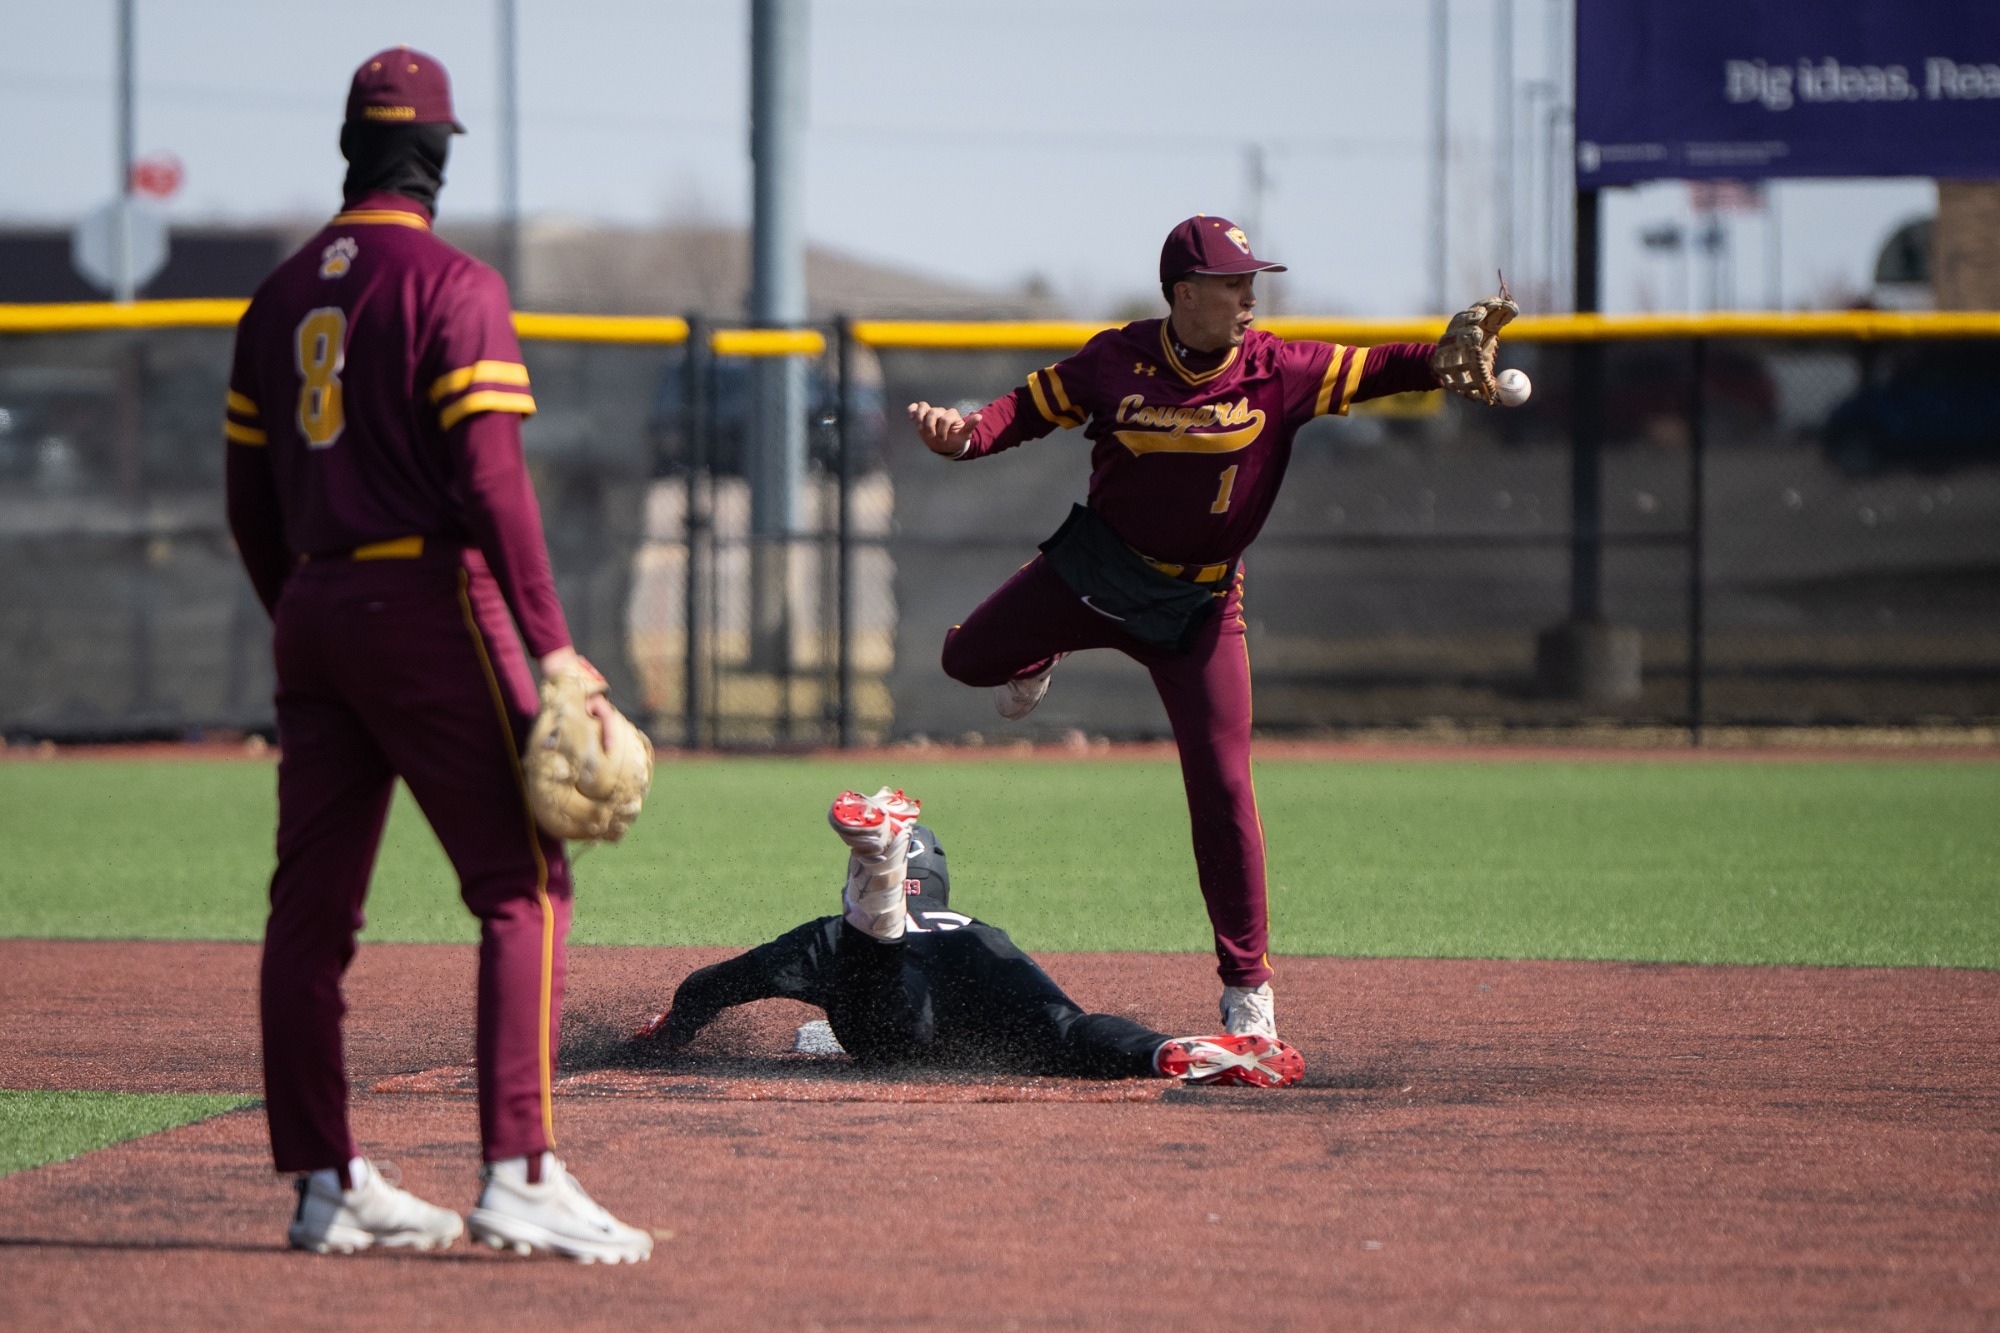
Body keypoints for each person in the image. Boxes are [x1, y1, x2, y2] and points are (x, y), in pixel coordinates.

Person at [224, 47, 650, 1263]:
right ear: (441, 156)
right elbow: (493, 485)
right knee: (525, 886)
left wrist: (307, 619)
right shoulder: (452, 281)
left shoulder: (276, 295)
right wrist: (557, 651)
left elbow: (248, 505)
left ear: (350, 147)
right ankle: (518, 1170)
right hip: (428, 601)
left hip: (312, 608)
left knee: (308, 918)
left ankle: (325, 1182)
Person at [907, 216, 1509, 1042]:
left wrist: (1440, 361)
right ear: (1185, 294)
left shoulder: (1277, 368)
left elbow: (1377, 367)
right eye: (1232, 284)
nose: (1250, 297)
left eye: (1251, 282)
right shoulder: (1115, 358)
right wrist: (963, 435)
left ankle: (1248, 990)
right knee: (964, 658)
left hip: (1198, 610)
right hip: (1096, 573)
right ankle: (1041, 650)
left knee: (1224, 789)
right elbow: (1026, 407)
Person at [633, 788, 1304, 1089]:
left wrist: (671, 1030)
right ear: (942, 881)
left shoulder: (826, 935)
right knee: (1072, 1036)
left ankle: (876, 878)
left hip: (885, 1015)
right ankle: (1164, 1051)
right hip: (973, 977)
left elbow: (714, 985)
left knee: (872, 969)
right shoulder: (979, 930)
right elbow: (1065, 1025)